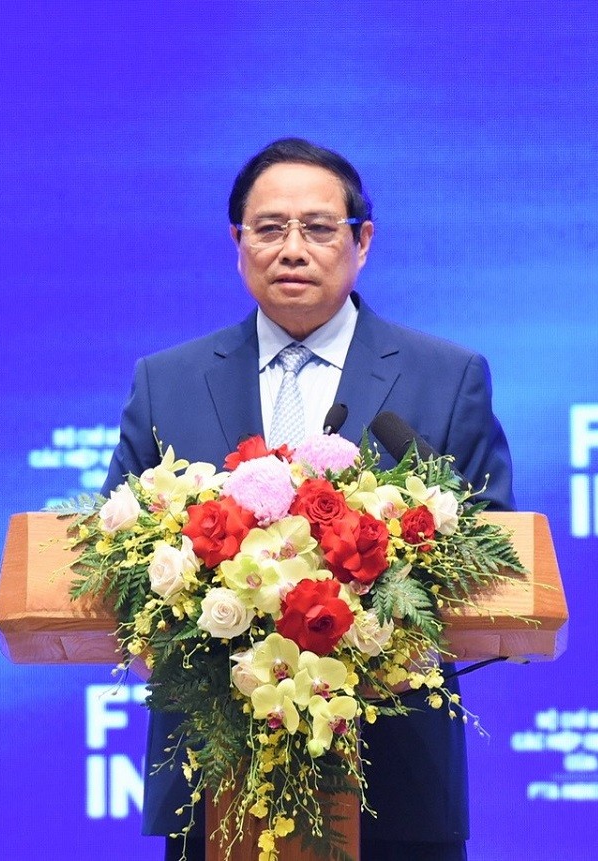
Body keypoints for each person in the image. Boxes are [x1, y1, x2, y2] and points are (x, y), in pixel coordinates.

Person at [102, 137, 514, 861]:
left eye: (319, 228)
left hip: (398, 780)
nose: (292, 249)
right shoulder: (167, 382)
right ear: (238, 243)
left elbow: (494, 558)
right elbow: (116, 562)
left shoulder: (445, 378)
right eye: (269, 228)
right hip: (214, 779)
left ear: (363, 240)